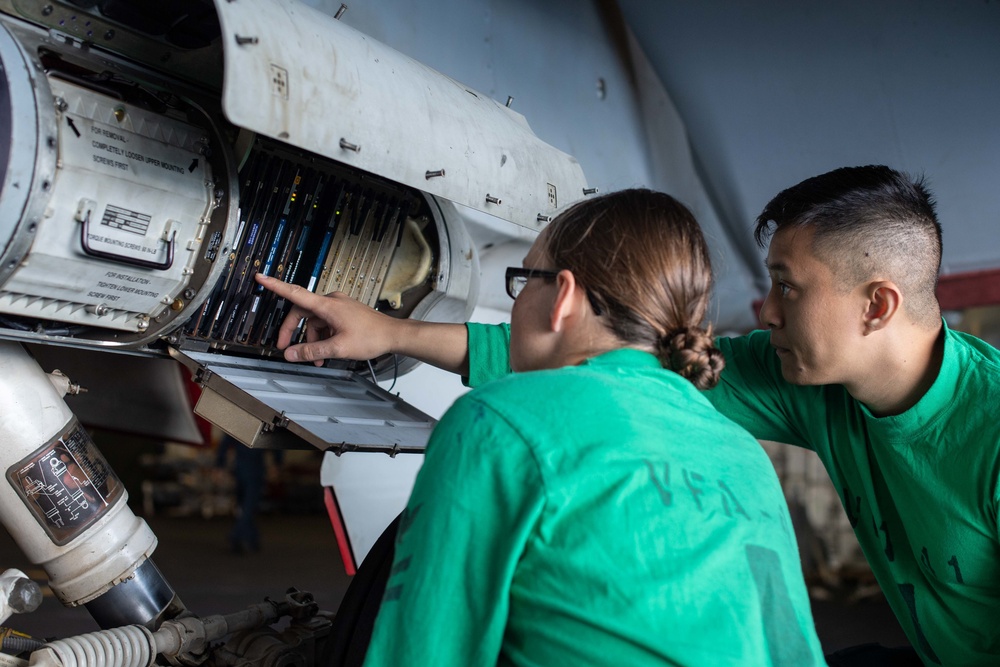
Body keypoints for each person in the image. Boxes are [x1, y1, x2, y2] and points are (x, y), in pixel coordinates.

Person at [263, 165, 1000, 666]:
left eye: (787, 286)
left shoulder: (990, 427)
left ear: (878, 303)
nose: (763, 309)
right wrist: (391, 334)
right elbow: (627, 372)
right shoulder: (787, 396)